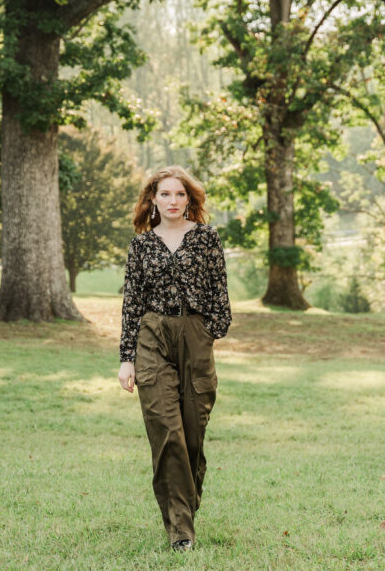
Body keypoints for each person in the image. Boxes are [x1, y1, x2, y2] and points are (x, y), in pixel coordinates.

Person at [117, 165, 231, 551]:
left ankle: (185, 503)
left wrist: (209, 331)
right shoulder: (141, 245)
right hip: (152, 337)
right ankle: (181, 530)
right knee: (167, 433)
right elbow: (131, 302)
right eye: (165, 194)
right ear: (152, 200)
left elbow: (220, 292)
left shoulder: (206, 238)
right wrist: (127, 358)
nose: (172, 201)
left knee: (192, 438)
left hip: (195, 336)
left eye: (180, 194)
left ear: (190, 200)